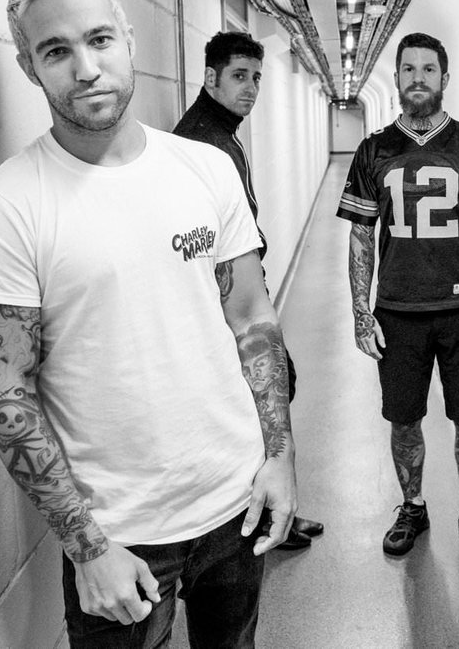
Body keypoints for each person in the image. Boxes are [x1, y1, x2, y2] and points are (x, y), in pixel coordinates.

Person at [0, 0, 297, 648]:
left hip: (237, 502)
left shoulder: (205, 169)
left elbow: (251, 318)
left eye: (100, 39)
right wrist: (87, 546)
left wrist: (281, 456)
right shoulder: (7, 205)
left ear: (129, 41)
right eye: (56, 51)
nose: (86, 68)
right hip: (121, 538)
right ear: (28, 67)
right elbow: (6, 391)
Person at [336, 32, 459, 566]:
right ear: (396, 77)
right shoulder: (374, 150)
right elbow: (361, 235)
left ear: (444, 78)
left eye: (428, 69)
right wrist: (361, 312)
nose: (418, 78)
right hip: (398, 313)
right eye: (409, 69)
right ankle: (413, 506)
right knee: (403, 419)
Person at [173, 30, 325, 551]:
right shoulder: (202, 142)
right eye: (239, 76)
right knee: (261, 402)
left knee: (275, 394)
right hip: (226, 307)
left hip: (240, 293)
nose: (251, 88)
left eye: (257, 77)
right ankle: (264, 517)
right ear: (210, 78)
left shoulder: (222, 132)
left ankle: (272, 510)